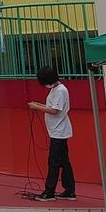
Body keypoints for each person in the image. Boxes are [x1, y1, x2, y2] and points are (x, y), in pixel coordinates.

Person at [28, 65, 75, 201]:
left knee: (53, 162)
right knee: (64, 161)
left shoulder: (60, 90)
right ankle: (69, 190)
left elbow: (55, 111)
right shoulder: (56, 89)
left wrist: (37, 107)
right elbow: (52, 107)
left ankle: (49, 191)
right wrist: (39, 105)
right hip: (57, 130)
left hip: (59, 131)